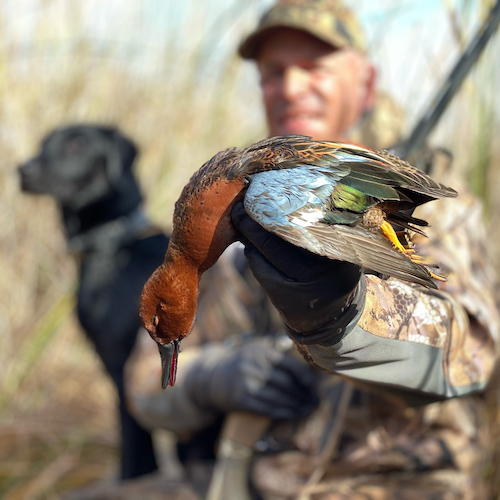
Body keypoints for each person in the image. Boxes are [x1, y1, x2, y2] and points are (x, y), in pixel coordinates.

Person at [127, 1, 500, 498]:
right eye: (274, 72)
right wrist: (215, 376)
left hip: (395, 483)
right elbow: (144, 387)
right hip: (261, 481)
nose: (291, 87)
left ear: (366, 85)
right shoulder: (232, 222)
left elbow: (474, 354)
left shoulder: (428, 206)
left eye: (314, 67)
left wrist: (343, 316)